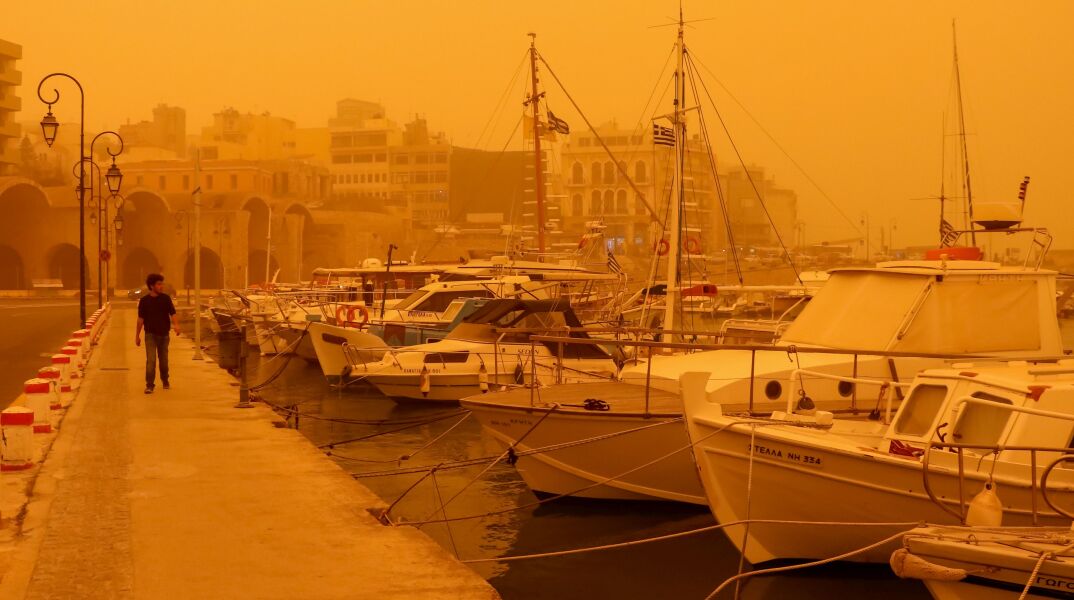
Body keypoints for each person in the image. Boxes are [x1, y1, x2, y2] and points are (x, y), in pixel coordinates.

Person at [135, 273, 179, 394]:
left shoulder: (166, 299)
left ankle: (165, 379)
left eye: (162, 284)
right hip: (150, 335)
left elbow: (173, 313)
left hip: (164, 335)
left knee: (163, 361)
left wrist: (176, 325)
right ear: (151, 286)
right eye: (159, 284)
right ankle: (149, 385)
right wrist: (137, 336)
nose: (162, 286)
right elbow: (140, 320)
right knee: (151, 360)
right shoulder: (144, 301)